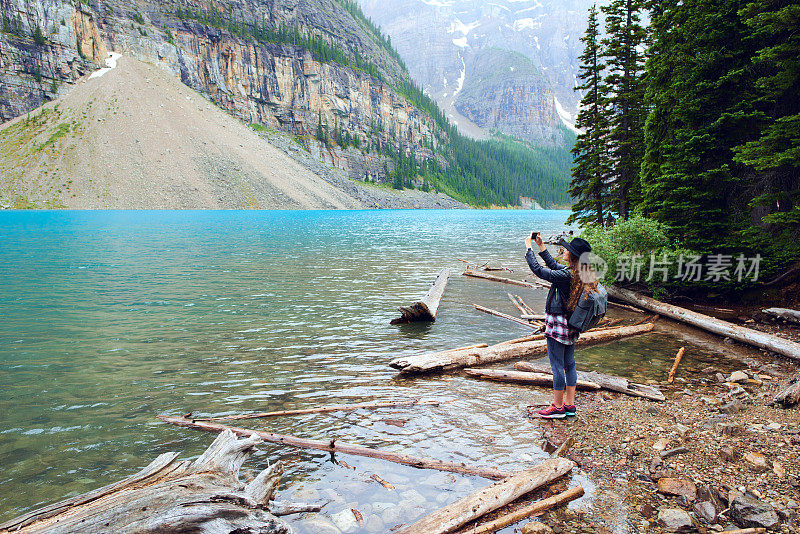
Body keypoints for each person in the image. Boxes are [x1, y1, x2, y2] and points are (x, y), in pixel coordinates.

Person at [524, 232, 596, 418]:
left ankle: (557, 407)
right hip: (570, 323)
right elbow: (554, 267)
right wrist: (541, 247)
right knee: (569, 364)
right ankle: (569, 405)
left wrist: (528, 249)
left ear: (572, 256)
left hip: (558, 323)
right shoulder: (578, 272)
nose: (565, 250)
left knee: (556, 365)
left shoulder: (567, 274)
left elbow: (540, 271)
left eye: (568, 249)